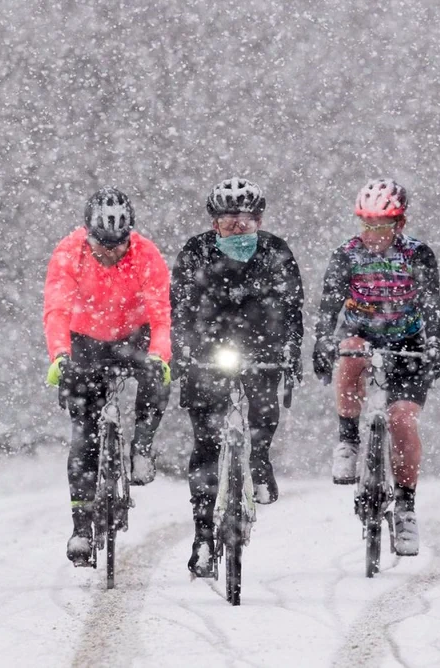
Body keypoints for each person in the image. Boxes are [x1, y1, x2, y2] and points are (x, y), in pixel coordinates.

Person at [171, 177, 305, 578]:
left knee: (263, 409)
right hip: (208, 351)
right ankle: (202, 536)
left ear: (259, 220)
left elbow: (292, 308)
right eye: (228, 219)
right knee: (206, 443)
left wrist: (291, 350)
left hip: (261, 347)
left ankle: (260, 459)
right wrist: (182, 351)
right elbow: (179, 308)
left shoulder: (276, 252)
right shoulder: (195, 252)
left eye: (245, 219)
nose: (237, 226)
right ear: (214, 222)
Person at [313, 178, 440, 557]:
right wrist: (323, 341)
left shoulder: (418, 255)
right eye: (366, 224)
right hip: (361, 334)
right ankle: (348, 440)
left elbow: (432, 306)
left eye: (381, 226)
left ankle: (405, 508)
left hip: (408, 343)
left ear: (400, 224)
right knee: (351, 351)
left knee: (402, 419)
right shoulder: (346, 254)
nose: (372, 234)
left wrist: (436, 345)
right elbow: (329, 305)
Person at [44, 187, 173, 567]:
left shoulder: (146, 254)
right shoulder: (69, 253)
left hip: (135, 335)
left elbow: (162, 315)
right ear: (88, 234)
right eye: (102, 246)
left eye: (119, 246)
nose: (111, 253)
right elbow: (56, 310)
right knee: (84, 433)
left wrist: (159, 356)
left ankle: (142, 449)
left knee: (156, 376)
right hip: (85, 338)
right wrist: (60, 356)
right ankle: (81, 529)